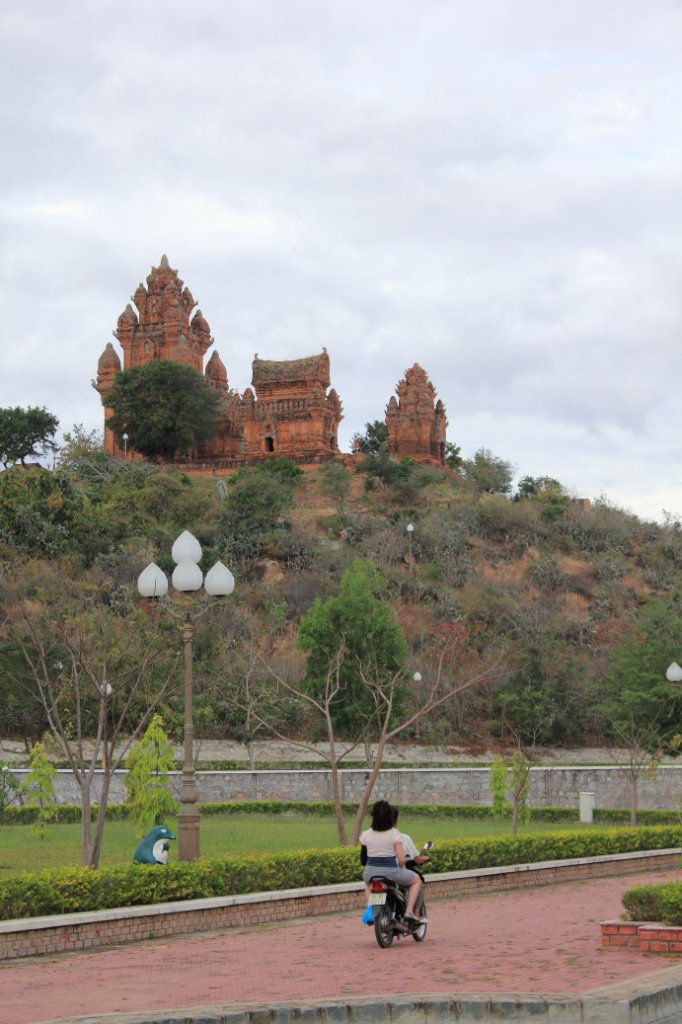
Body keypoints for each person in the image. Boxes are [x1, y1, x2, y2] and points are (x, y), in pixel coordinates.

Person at [359, 799, 424, 922]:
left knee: (368, 883)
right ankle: (409, 912)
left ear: (373, 817)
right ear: (390, 817)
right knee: (416, 880)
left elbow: (363, 859)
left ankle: (370, 908)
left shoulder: (365, 834)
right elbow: (401, 859)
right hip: (391, 873)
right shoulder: (395, 834)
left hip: (370, 872)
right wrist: (403, 865)